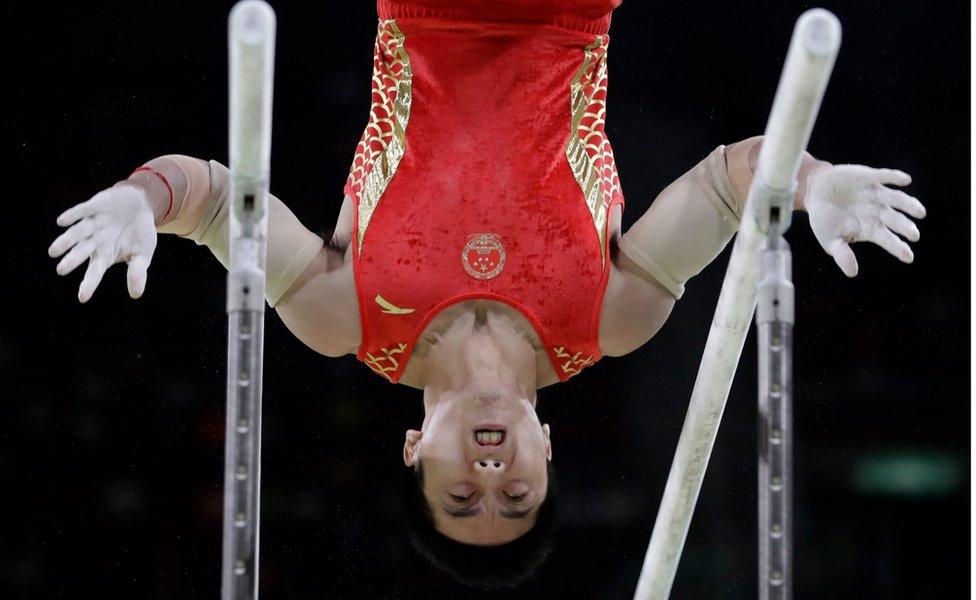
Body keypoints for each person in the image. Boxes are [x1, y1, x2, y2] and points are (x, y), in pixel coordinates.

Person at [46, 0, 926, 589]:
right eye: (517, 495)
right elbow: (735, 186)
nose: (492, 474)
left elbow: (209, 201)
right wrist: (812, 184)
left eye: (462, 496)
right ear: (549, 448)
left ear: (411, 449)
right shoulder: (614, 321)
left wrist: (139, 201)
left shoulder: (338, 320)